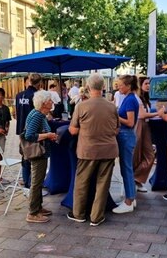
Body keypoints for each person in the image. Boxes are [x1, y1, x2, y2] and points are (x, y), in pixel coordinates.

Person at [67, 73, 119, 226]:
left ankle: (79, 214)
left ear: (88, 87)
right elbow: (116, 130)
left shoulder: (81, 106)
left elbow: (73, 131)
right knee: (103, 184)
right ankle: (96, 217)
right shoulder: (112, 106)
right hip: (109, 150)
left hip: (87, 150)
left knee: (82, 182)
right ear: (103, 87)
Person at [23, 90, 58, 223]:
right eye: (50, 100)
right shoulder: (38, 115)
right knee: (37, 183)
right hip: (38, 153)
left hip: (41, 152)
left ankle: (38, 207)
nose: (52, 102)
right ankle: (32, 213)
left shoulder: (40, 114)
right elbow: (29, 135)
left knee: (38, 180)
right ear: (44, 103)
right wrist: (48, 135)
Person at [113, 75, 139, 214]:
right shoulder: (130, 98)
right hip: (126, 136)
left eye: (121, 85)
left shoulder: (129, 100)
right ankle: (131, 197)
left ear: (128, 86)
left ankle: (129, 201)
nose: (119, 87)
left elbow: (130, 122)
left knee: (126, 169)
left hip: (126, 136)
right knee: (127, 168)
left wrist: (116, 116)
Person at [133, 78, 162, 192]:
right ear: (140, 85)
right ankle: (135, 179)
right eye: (146, 83)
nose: (148, 85)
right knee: (137, 154)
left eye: (149, 83)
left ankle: (137, 177)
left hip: (146, 126)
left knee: (150, 155)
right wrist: (157, 113)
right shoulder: (136, 98)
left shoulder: (145, 99)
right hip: (139, 126)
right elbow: (142, 115)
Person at [16, 74, 42, 189]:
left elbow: (16, 114)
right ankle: (31, 184)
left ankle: (26, 181)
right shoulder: (35, 96)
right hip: (32, 130)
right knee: (34, 156)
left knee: (24, 156)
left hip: (21, 129)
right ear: (39, 83)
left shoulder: (19, 95)